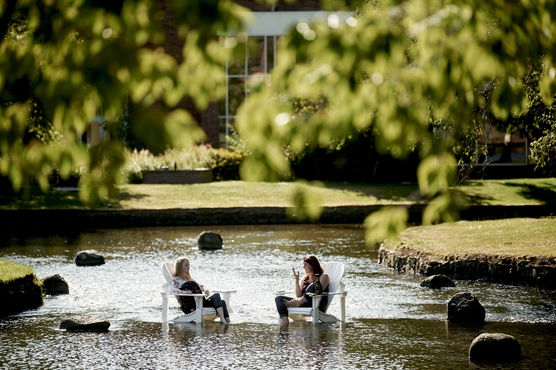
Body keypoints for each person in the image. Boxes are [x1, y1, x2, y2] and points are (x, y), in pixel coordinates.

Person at [274, 255, 330, 328]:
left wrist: (298, 301)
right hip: (301, 303)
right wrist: (297, 281)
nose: (303, 267)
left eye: (305, 265)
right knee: (278, 298)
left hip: (316, 304)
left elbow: (318, 290)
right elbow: (298, 295)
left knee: (315, 285)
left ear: (312, 265)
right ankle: (285, 321)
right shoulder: (305, 278)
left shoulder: (324, 276)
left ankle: (295, 303)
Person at [172, 257, 230, 324]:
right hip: (191, 306)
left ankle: (227, 321)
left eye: (189, 265)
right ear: (180, 267)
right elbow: (172, 290)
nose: (189, 267)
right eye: (186, 265)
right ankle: (222, 319)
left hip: (199, 302)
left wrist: (205, 290)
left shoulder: (188, 278)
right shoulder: (175, 280)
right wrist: (184, 292)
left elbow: (201, 286)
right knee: (216, 295)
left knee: (222, 302)